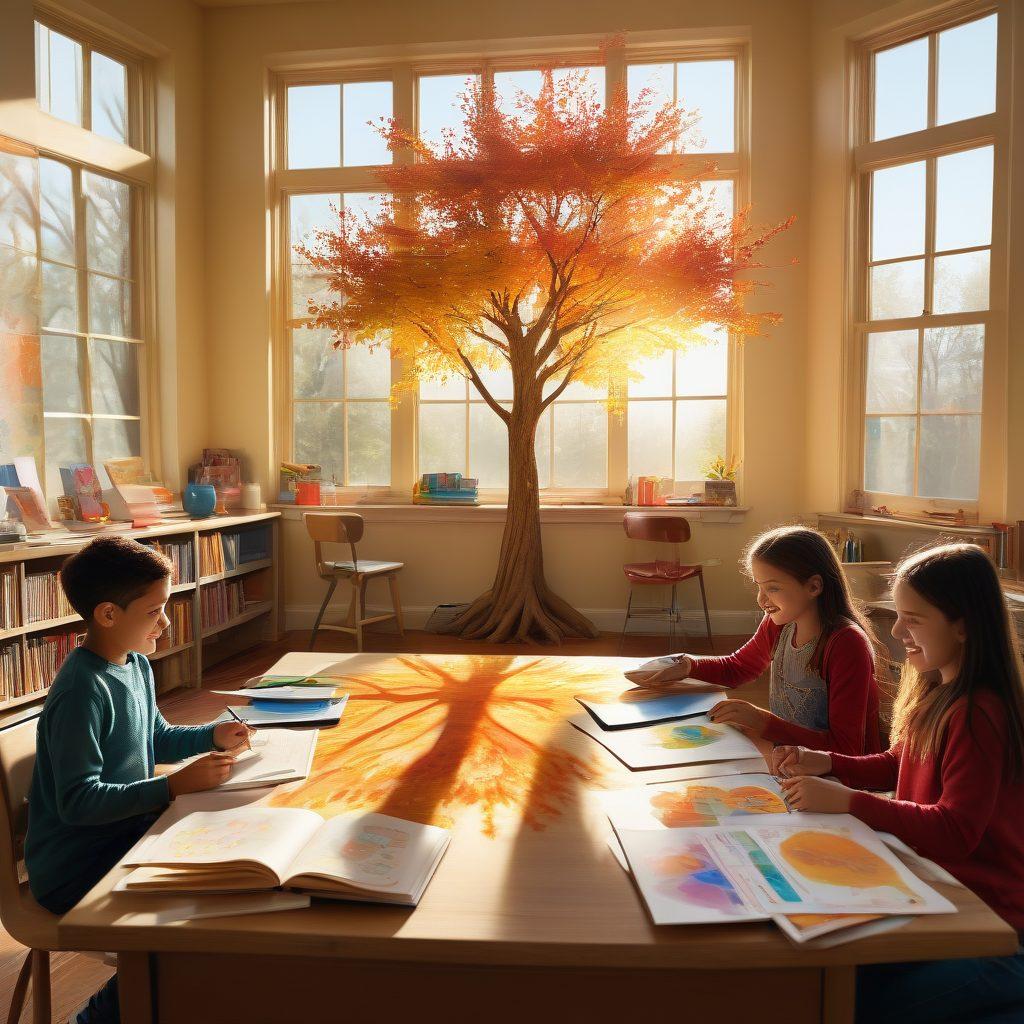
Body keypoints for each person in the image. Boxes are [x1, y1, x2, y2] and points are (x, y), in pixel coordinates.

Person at [775, 543, 1024, 1023]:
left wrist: (849, 802)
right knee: (831, 973)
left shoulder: (979, 712)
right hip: (940, 896)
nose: (895, 631)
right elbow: (897, 764)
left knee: (854, 1003)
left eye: (914, 618)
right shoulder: (937, 689)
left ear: (964, 625)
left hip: (992, 926)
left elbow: (955, 829)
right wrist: (824, 761)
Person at [25, 536, 252, 1024]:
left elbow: (156, 738)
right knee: (185, 929)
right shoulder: (82, 691)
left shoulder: (135, 665)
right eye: (156, 611)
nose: (167, 622)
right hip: (75, 867)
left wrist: (213, 734)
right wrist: (171, 788)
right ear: (108, 615)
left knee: (226, 889)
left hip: (125, 838)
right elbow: (78, 802)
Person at [631, 525, 883, 754]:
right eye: (758, 587)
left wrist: (763, 723)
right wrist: (687, 665)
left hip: (840, 783)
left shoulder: (847, 644)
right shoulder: (780, 623)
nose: (762, 601)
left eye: (772, 588)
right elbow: (738, 668)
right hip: (791, 762)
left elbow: (848, 749)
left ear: (814, 587)